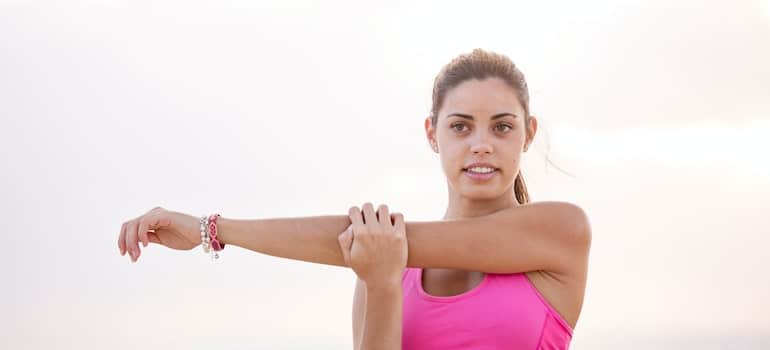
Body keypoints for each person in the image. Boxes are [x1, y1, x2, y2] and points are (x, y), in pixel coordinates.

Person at [117, 48, 592, 350]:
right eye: (461, 126)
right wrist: (383, 285)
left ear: (528, 133)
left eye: (502, 126)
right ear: (432, 134)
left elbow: (353, 239)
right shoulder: (380, 258)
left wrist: (210, 228)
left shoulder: (560, 232)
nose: (481, 144)